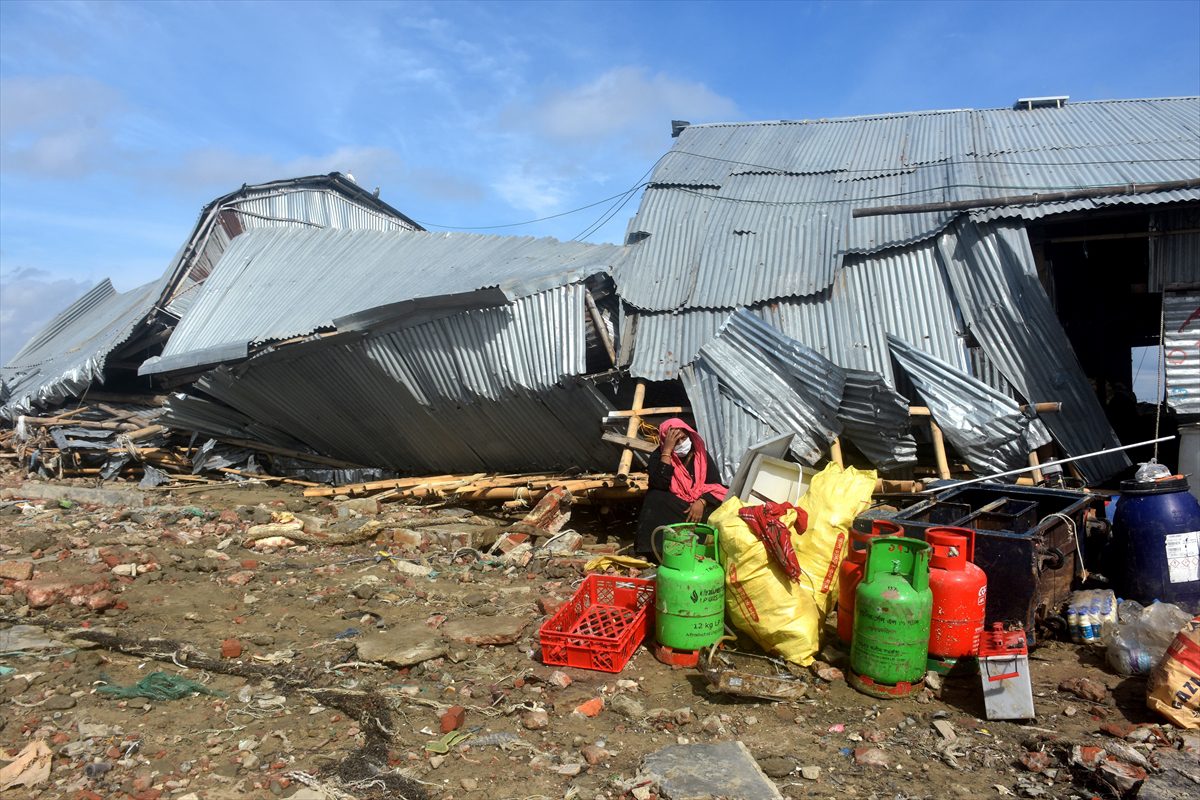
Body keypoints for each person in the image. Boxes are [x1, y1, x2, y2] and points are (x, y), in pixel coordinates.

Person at [635, 418, 728, 560]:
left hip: (698, 508)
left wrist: (702, 502)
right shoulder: (658, 455)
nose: (680, 444)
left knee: (722, 506)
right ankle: (652, 552)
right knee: (654, 497)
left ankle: (696, 548)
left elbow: (716, 485)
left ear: (689, 435)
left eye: (683, 438)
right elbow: (659, 484)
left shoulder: (700, 455)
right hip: (677, 507)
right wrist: (667, 451)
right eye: (675, 441)